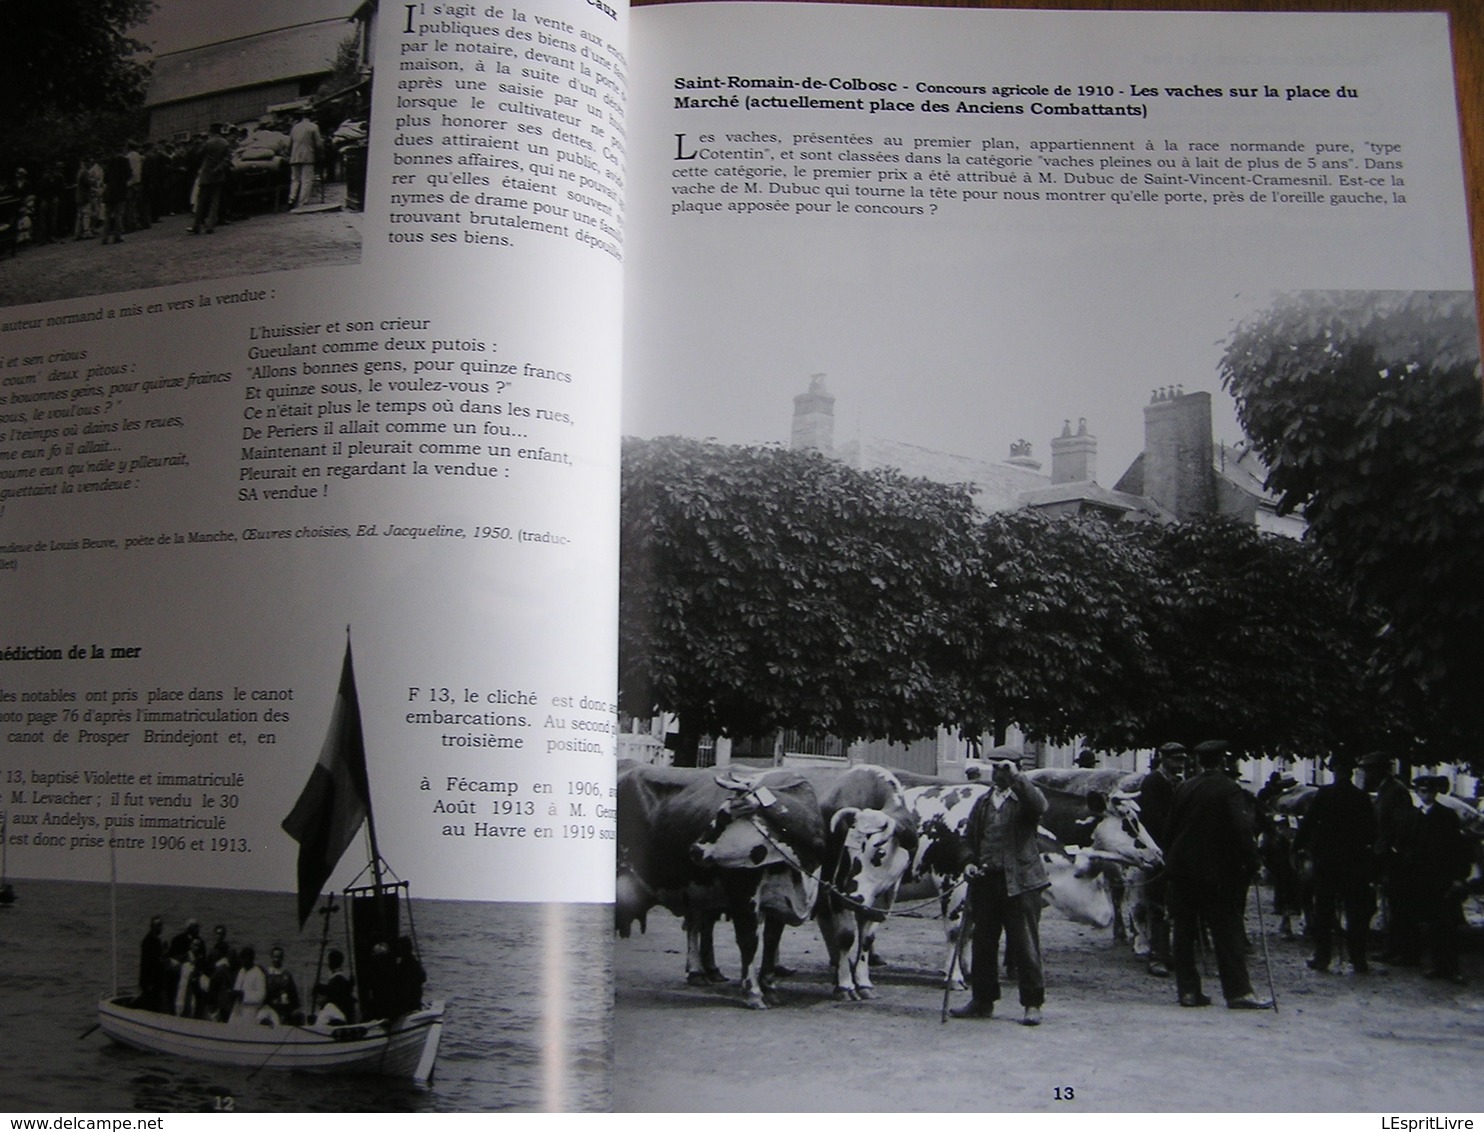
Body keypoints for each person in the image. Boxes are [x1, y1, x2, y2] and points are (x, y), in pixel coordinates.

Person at [1165, 740, 1272, 1010]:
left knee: (1184, 931)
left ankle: (1188, 992)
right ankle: (1238, 993)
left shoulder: (1183, 787)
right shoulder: (1230, 789)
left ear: (1199, 762)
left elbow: (1170, 829)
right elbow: (1241, 829)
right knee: (1227, 931)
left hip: (1182, 870)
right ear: (1222, 761)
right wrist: (1254, 862)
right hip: (1217, 873)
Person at [948, 752, 1050, 1026]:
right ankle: (982, 1000)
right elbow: (969, 838)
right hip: (986, 882)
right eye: (995, 768)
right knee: (983, 944)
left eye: (1004, 769)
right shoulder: (983, 803)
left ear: (1015, 770)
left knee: (1025, 945)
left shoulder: (1025, 800)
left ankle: (1032, 1004)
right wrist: (968, 862)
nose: (999, 773)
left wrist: (1018, 777)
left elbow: (1039, 807)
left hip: (1022, 884)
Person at [1293, 754, 1377, 974]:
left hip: (1327, 862)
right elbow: (1372, 832)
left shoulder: (1325, 794)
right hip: (1353, 864)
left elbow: (1309, 823)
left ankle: (1322, 958)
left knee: (1324, 910)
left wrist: (1297, 846)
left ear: (1334, 771)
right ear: (1350, 772)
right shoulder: (1361, 797)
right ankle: (1359, 960)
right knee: (1355, 912)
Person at [1407, 776, 1472, 983]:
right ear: (1417, 792)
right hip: (1423, 879)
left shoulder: (1446, 816)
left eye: (1429, 791)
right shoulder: (1415, 817)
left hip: (1443, 878)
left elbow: (1458, 849)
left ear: (1435, 793)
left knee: (1447, 925)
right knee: (1431, 925)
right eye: (1422, 791)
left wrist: (1458, 877)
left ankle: (1452, 968)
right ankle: (1436, 964)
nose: (1425, 794)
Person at [1361, 750, 1419, 965]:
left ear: (1380, 770)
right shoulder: (1385, 789)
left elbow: (1400, 826)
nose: (1366, 775)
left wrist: (1390, 852)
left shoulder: (1396, 791)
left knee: (1400, 906)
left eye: (1369, 770)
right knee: (1391, 904)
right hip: (1387, 856)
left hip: (1396, 859)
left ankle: (1406, 952)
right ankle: (1394, 948)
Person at [1137, 743, 1186, 977]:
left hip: (1177, 851)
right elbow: (1152, 819)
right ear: (1163, 759)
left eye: (1182, 760)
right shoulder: (1152, 782)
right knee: (1157, 905)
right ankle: (1157, 956)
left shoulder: (1180, 783)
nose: (1180, 764)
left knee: (1176, 904)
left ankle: (1172, 954)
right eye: (1175, 760)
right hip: (1157, 850)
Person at [189, 124, 232, 234]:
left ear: (211, 132)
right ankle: (210, 226)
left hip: (206, 174)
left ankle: (196, 226)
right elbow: (227, 159)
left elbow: (198, 155)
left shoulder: (208, 143)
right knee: (215, 201)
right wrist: (219, 168)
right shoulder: (225, 143)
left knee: (201, 201)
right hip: (218, 175)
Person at [288, 109, 322, 208]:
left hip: (294, 156)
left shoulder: (294, 128)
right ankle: (302, 203)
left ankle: (292, 198)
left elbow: (289, 144)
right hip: (308, 155)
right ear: (311, 116)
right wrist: (320, 155)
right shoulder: (313, 127)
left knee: (295, 179)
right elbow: (319, 144)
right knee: (307, 180)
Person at [230, 946, 272, 1025]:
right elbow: (237, 987)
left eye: (244, 959)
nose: (242, 961)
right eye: (241, 959)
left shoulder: (259, 974)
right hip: (237, 1009)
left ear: (251, 959)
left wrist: (244, 995)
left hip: (250, 1011)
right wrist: (234, 994)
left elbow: (261, 996)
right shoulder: (241, 971)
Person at [265, 945, 301, 1022]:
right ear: (271, 957)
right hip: (270, 1007)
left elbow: (293, 994)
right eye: (275, 957)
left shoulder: (287, 975)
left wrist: (294, 1008)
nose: (277, 959)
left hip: (284, 1008)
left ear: (282, 958)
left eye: (279, 957)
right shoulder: (267, 974)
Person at [137, 915, 167, 1010]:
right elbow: (148, 963)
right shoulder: (149, 941)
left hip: (156, 980)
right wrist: (149, 982)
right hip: (150, 981)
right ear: (152, 926)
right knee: (150, 1005)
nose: (161, 928)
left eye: (161, 925)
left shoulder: (156, 940)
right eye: (158, 925)